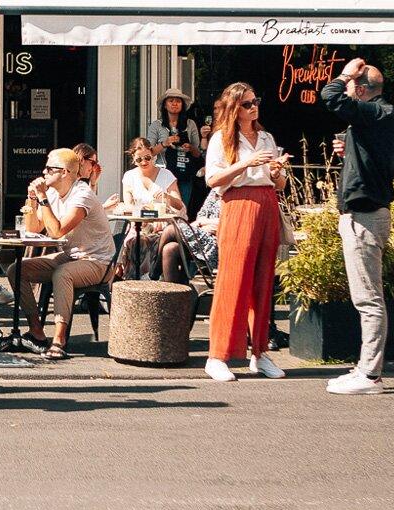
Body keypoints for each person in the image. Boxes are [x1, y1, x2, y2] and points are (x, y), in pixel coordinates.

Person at [320, 57, 394, 395]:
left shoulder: (378, 111)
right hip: (365, 212)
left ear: (363, 89)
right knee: (366, 296)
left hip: (364, 216)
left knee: (368, 298)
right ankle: (365, 369)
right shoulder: (377, 118)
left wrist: (344, 74)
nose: (349, 89)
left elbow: (331, 96)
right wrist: (349, 149)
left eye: (354, 85)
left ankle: (369, 375)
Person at [202, 82, 288, 381]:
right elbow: (213, 180)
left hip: (267, 202)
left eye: (255, 101)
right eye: (248, 104)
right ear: (234, 109)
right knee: (233, 279)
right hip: (238, 203)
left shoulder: (266, 137)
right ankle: (218, 355)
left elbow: (280, 185)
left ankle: (260, 353)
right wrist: (246, 163)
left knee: (264, 280)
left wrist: (277, 174)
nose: (254, 107)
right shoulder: (221, 139)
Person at [13, 146, 119, 360]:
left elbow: (57, 230)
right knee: (17, 270)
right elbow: (33, 228)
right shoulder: (52, 193)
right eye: (45, 168)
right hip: (71, 255)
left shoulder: (82, 194)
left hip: (97, 261)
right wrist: (32, 199)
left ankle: (59, 341)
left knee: (62, 274)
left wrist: (42, 197)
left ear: (66, 172)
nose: (44, 172)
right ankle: (37, 332)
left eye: (50, 169)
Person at [107, 137, 188, 284]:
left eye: (147, 158)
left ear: (153, 155)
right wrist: (139, 209)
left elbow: (180, 205)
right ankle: (133, 284)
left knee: (153, 242)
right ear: (133, 159)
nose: (144, 162)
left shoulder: (166, 175)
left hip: (163, 225)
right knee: (133, 242)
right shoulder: (129, 177)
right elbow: (128, 205)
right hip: (139, 225)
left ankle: (153, 278)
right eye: (139, 160)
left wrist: (167, 196)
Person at [144, 89, 203, 217]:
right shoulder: (156, 125)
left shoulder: (190, 124)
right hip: (162, 174)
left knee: (181, 210)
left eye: (178, 101)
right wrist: (165, 143)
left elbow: (198, 153)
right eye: (171, 101)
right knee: (162, 210)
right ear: (165, 105)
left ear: (183, 105)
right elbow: (148, 153)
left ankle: (178, 235)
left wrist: (190, 148)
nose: (175, 104)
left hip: (184, 172)